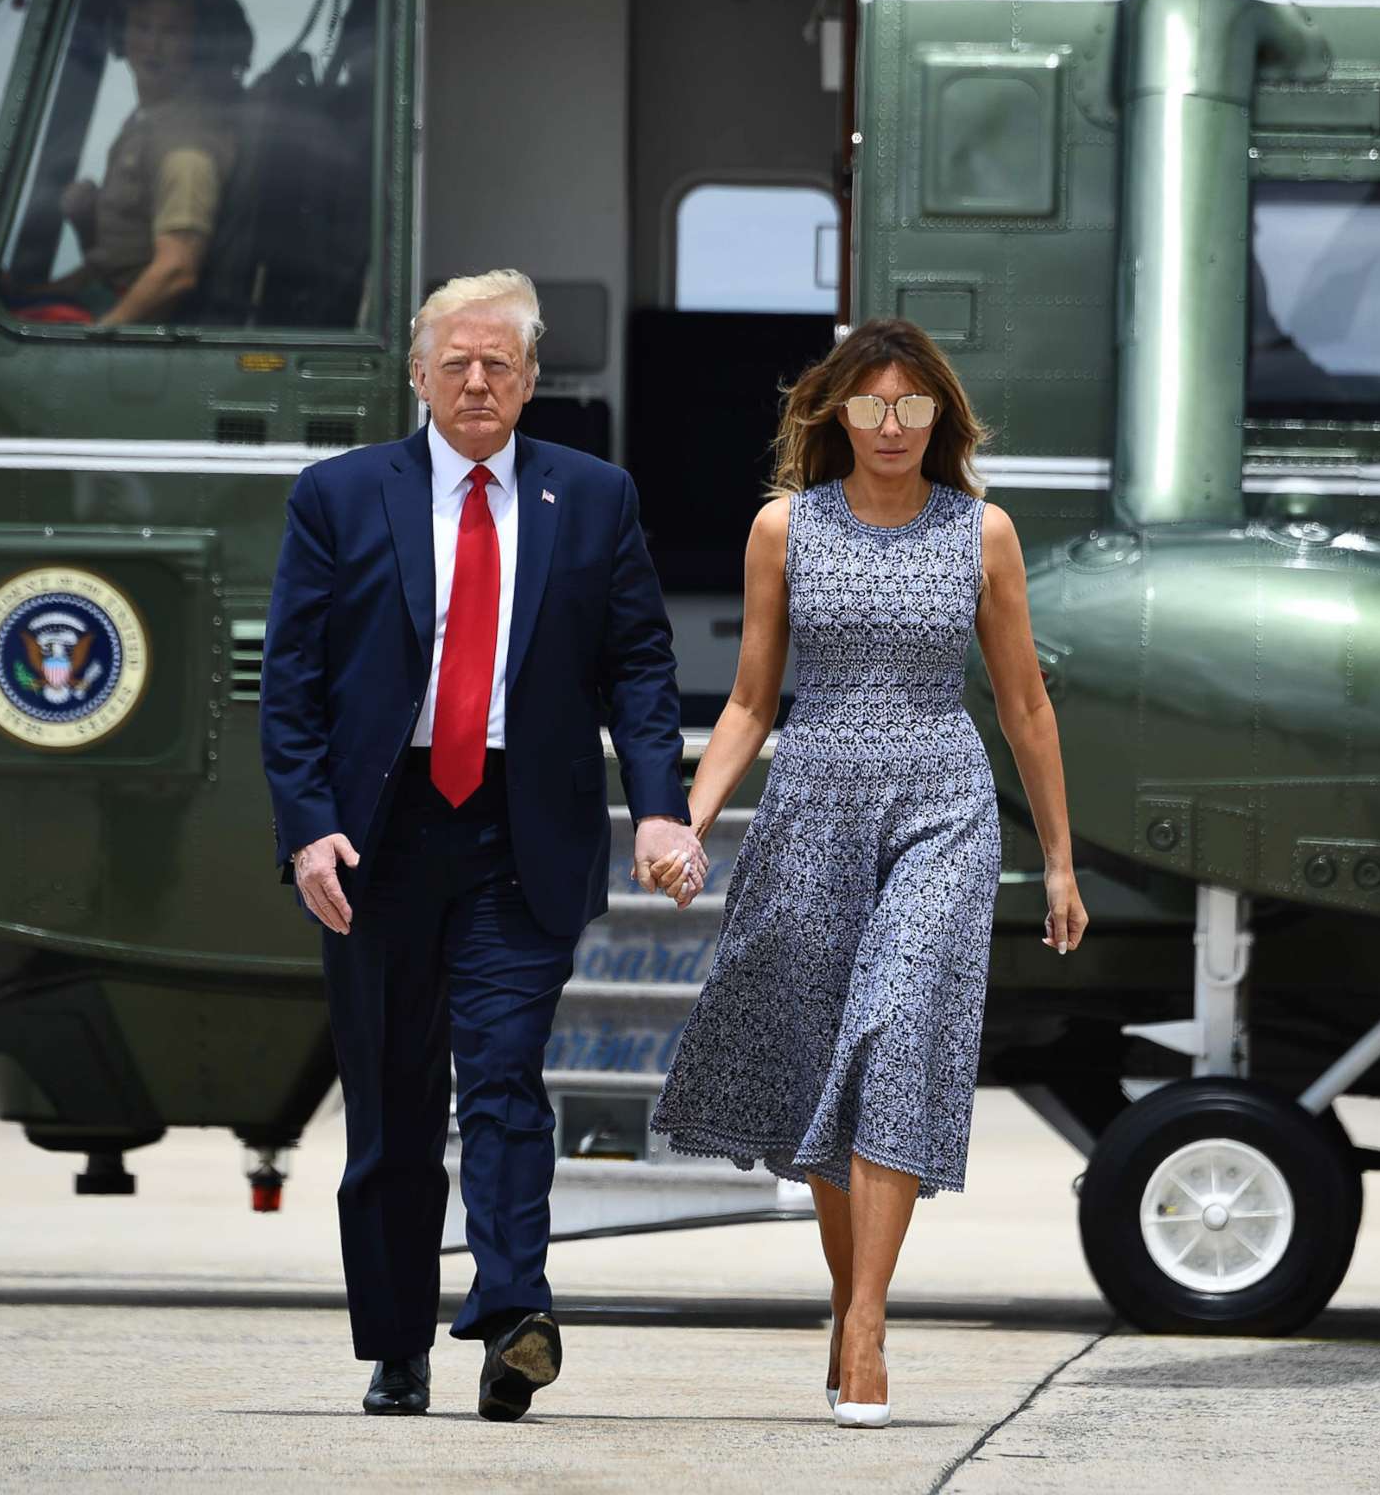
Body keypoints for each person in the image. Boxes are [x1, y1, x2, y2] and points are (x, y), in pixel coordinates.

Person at [257, 269, 702, 1422]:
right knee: (395, 1104)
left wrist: (659, 804)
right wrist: (308, 831)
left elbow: (641, 668)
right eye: (454, 360)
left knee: (504, 1078)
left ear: (532, 380)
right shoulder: (340, 497)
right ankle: (397, 1344)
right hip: (378, 837)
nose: (475, 380)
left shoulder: (592, 498)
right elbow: (291, 686)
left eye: (498, 362)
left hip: (520, 830)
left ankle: (514, 1317)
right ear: (417, 375)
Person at [649, 317, 1090, 1429]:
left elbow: (1026, 706)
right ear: (833, 413)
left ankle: (869, 1325)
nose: (892, 427)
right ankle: (849, 1299)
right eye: (870, 406)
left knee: (893, 1034)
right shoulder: (781, 529)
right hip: (813, 806)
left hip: (942, 801)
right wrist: (691, 819)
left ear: (940, 415)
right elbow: (751, 699)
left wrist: (1064, 864)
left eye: (913, 407)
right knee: (823, 1064)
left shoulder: (982, 532)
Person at [46, 0, 245, 328]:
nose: (153, 45)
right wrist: (83, 225)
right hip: (106, 295)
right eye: (141, 26)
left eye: (172, 32)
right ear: (120, 37)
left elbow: (176, 271)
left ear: (199, 46)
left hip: (133, 320)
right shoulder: (146, 122)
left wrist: (92, 339)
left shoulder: (186, 147)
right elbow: (119, 261)